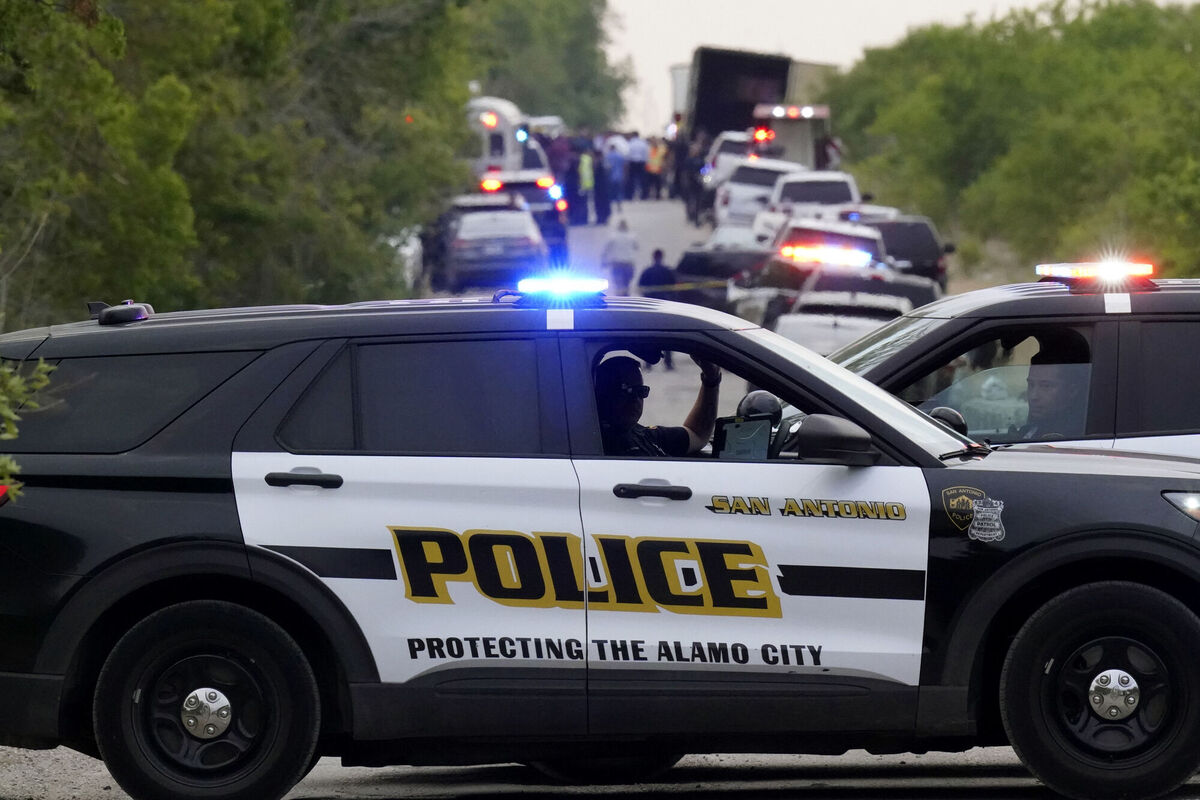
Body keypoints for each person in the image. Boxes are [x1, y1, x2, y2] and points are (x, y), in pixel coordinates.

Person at [594, 354, 721, 457]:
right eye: (627, 391)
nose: (636, 399)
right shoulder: (598, 445)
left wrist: (711, 380)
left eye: (641, 391)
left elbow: (697, 434)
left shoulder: (642, 434)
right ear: (603, 394)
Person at [1012, 351, 1088, 440]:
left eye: (1046, 386)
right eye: (1031, 385)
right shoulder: (1032, 430)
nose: (1034, 396)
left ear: (1072, 391)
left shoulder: (1073, 437)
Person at [637, 249, 678, 369]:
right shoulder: (668, 271)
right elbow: (674, 288)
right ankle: (668, 363)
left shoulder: (647, 271)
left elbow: (641, 287)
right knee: (667, 336)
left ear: (653, 257)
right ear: (662, 257)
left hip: (649, 308)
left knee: (649, 336)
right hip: (665, 308)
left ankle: (648, 363)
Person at [601, 219, 638, 295]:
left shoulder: (613, 237)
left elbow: (606, 249)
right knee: (627, 282)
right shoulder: (632, 237)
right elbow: (636, 247)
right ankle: (625, 294)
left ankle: (620, 295)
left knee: (618, 283)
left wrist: (604, 261)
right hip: (628, 263)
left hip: (617, 263)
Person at [626, 131, 650, 200]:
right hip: (641, 163)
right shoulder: (643, 143)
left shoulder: (630, 143)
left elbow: (628, 153)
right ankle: (644, 196)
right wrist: (646, 162)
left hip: (632, 163)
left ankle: (630, 196)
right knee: (643, 180)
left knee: (631, 180)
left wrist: (628, 162)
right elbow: (646, 154)